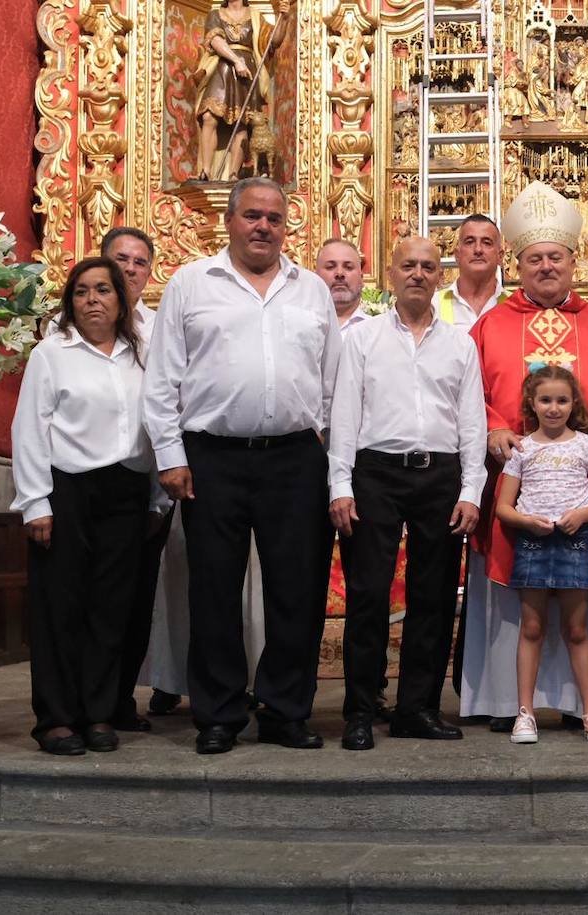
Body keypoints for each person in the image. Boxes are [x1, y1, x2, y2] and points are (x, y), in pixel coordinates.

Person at [143, 176, 341, 755]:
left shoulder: (311, 292)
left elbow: (332, 385)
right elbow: (162, 381)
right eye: (252, 216)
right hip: (212, 458)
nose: (263, 227)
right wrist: (171, 456)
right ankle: (219, 714)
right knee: (214, 589)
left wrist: (331, 457)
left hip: (297, 458)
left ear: (287, 226)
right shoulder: (189, 283)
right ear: (228, 220)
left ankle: (285, 711)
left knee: (297, 591)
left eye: (274, 219)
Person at [461, 181, 588, 730]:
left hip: (583, 493)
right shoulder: (491, 324)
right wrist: (494, 431)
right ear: (516, 264)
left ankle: (581, 703)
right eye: (534, 258)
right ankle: (507, 702)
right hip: (516, 484)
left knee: (579, 602)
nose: (546, 267)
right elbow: (466, 396)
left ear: (574, 261)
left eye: (556, 257)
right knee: (515, 603)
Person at [327, 236, 486, 751]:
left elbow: (472, 423)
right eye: (408, 266)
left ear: (440, 276)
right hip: (376, 472)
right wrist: (341, 484)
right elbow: (345, 415)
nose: (418, 274)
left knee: (434, 596)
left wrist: (471, 491)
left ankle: (417, 706)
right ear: (389, 274)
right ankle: (359, 708)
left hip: (439, 474)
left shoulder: (460, 342)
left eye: (428, 266)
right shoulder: (363, 339)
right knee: (369, 595)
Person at [12, 257, 168, 755]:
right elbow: (30, 430)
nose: (92, 300)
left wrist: (157, 497)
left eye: (103, 290)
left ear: (122, 300)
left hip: (126, 491)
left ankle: (99, 713)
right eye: (81, 292)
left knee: (111, 608)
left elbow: (160, 425)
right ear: (69, 301)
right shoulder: (52, 354)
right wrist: (36, 502)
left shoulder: (142, 355)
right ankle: (57, 718)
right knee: (62, 606)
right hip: (67, 490)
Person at [496, 367, 588, 743]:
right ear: (532, 403)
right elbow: (503, 507)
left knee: (577, 630)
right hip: (533, 543)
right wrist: (527, 522)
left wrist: (580, 516)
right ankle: (525, 714)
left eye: (561, 400)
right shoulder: (522, 448)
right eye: (545, 400)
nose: (553, 408)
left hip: (574, 543)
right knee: (531, 628)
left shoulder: (585, 445)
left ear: (573, 403)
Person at [96, 227, 172, 733]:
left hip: (146, 484)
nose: (130, 269)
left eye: (140, 262)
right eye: (120, 260)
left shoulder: (158, 329)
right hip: (88, 482)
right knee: (94, 602)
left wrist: (161, 497)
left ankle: (120, 699)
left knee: (135, 600)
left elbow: (170, 406)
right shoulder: (68, 330)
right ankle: (87, 702)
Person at [193, 0, 289, 181]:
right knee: (208, 115)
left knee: (242, 122)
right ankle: (205, 170)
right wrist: (236, 61)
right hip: (222, 68)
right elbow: (215, 40)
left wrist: (283, 18)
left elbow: (273, 42)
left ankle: (233, 174)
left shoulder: (255, 16)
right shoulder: (216, 14)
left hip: (248, 72)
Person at [435, 215, 509, 331]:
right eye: (470, 242)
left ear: (500, 256)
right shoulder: (432, 306)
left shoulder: (516, 305)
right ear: (457, 255)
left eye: (487, 242)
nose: (478, 250)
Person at [316, 237, 366, 329]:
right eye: (330, 267)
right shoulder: (300, 327)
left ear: (361, 278)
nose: (339, 273)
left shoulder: (379, 332)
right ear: (316, 277)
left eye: (348, 267)